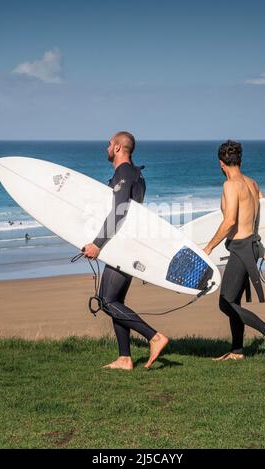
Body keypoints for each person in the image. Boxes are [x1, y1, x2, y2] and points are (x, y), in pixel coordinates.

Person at [83, 132, 169, 370]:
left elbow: (119, 211)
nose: (108, 146)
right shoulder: (136, 175)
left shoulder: (124, 173)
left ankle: (154, 337)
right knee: (115, 300)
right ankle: (125, 358)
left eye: (110, 143)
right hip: (129, 244)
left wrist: (97, 244)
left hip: (123, 246)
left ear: (119, 147)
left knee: (106, 300)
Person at [204, 140, 265, 362]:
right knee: (234, 300)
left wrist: (209, 246)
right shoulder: (252, 183)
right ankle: (237, 351)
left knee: (225, 302)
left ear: (221, 163)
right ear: (239, 160)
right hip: (251, 245)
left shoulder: (230, 186)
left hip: (240, 247)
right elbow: (263, 219)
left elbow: (230, 221)